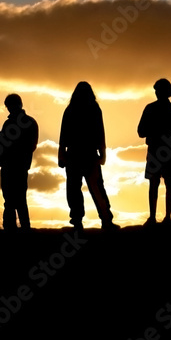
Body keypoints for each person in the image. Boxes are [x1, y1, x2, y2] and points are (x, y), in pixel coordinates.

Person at [58, 82, 119, 231]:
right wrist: (103, 153)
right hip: (89, 154)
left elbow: (63, 135)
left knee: (74, 189)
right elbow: (100, 132)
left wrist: (61, 155)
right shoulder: (94, 108)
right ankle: (105, 219)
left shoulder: (70, 109)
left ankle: (78, 221)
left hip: (74, 154)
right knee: (96, 187)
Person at [137, 78, 171, 225]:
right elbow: (141, 131)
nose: (157, 93)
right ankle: (158, 217)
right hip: (161, 149)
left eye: (159, 90)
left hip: (163, 149)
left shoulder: (158, 109)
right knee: (159, 183)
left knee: (163, 183)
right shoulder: (169, 109)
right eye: (156, 90)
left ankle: (165, 217)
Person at [0, 93, 39, 231]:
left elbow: (2, 145)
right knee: (17, 199)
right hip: (19, 166)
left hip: (14, 166)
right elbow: (32, 146)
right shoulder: (30, 122)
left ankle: (14, 228)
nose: (10, 109)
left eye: (10, 106)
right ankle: (22, 227)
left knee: (13, 199)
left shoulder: (11, 123)